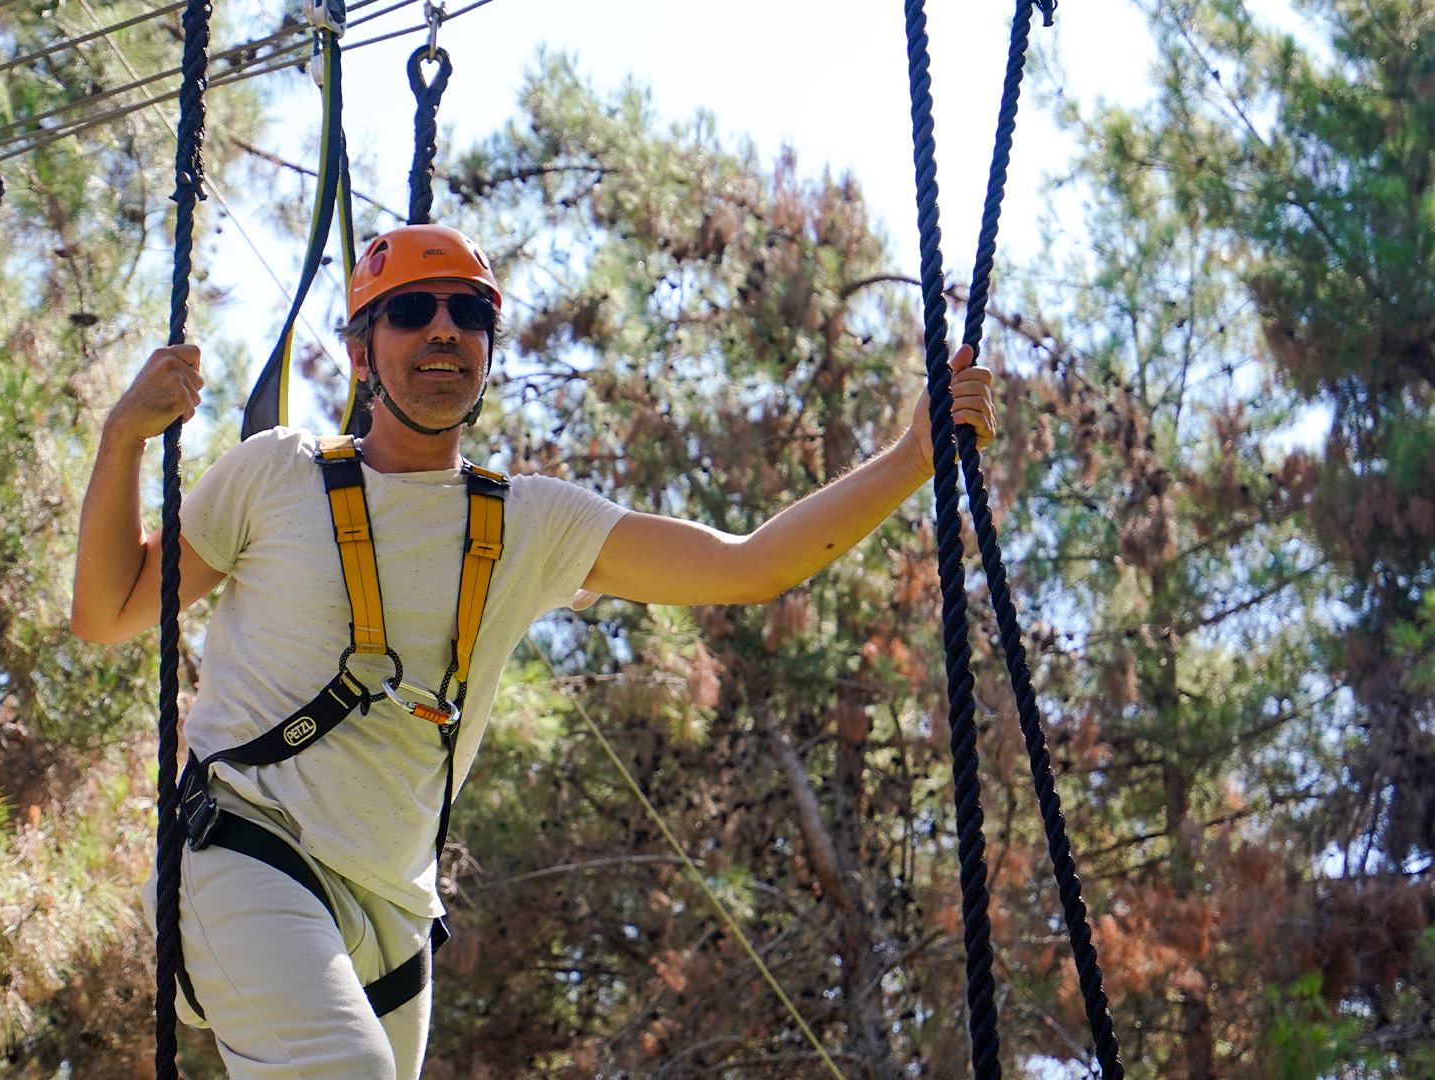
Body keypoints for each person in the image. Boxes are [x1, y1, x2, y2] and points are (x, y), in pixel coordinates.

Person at [71, 224, 996, 1080]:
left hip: (395, 916)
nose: (444, 329)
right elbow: (107, 611)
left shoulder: (531, 522)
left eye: (469, 313)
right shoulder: (276, 473)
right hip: (246, 849)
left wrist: (911, 457)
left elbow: (749, 567)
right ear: (359, 352)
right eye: (411, 310)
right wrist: (122, 440)